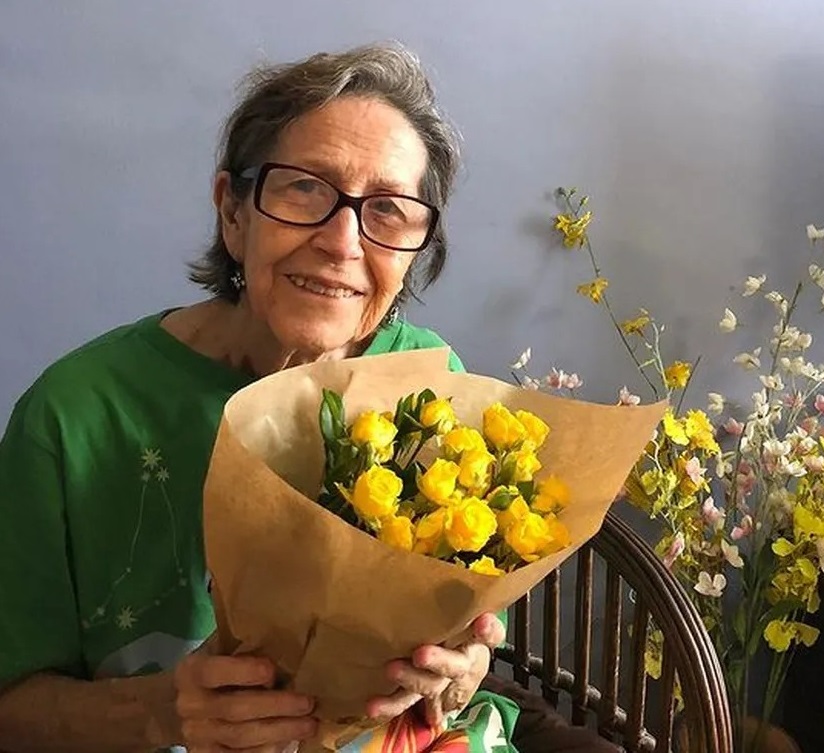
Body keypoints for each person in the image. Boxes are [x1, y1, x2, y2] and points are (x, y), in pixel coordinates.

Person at [0, 43, 517, 752]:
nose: (342, 241)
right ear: (233, 211)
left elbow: (470, 651)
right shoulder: (76, 414)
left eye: (389, 210)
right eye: (304, 188)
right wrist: (163, 711)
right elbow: (11, 708)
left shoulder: (429, 388)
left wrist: (458, 671)